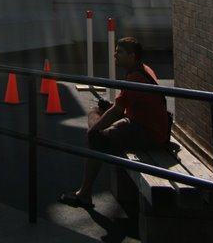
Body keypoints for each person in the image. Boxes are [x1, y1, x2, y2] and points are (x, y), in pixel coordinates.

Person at [60, 36, 170, 209]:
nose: (115, 55)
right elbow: (124, 106)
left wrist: (96, 129)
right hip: (146, 125)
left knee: (96, 138)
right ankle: (95, 131)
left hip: (147, 132)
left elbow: (118, 111)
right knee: (95, 112)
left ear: (132, 56)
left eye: (120, 52)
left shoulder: (135, 78)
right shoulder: (143, 70)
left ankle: (84, 194)